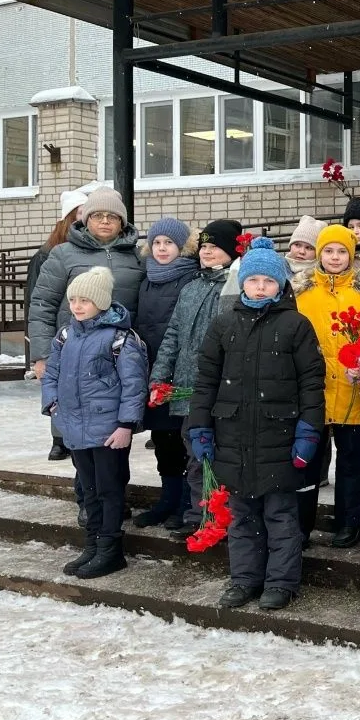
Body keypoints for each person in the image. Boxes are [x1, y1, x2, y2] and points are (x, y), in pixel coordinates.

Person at [188, 238, 325, 611]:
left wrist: (308, 432)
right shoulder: (223, 325)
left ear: (280, 284)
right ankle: (245, 578)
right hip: (232, 435)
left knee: (281, 516)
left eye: (268, 281)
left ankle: (281, 582)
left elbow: (312, 384)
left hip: (279, 436)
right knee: (242, 516)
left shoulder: (296, 325)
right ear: (242, 283)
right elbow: (206, 382)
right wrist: (200, 427)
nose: (260, 287)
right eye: (253, 280)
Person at [41, 267, 147, 579]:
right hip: (75, 427)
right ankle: (93, 545)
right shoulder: (66, 335)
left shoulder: (119, 339)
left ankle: (110, 550)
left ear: (100, 302)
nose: (77, 305)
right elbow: (52, 373)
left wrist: (126, 425)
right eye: (73, 299)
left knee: (108, 490)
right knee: (88, 490)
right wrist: (53, 404)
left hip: (108, 431)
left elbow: (134, 385)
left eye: (84, 300)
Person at [148, 219, 241, 537]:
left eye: (215, 247)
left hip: (225, 390)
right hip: (190, 389)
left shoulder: (238, 286)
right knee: (196, 455)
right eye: (204, 247)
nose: (207, 252)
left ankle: (227, 518)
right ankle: (198, 516)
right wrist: (160, 376)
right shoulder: (191, 288)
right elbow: (173, 335)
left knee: (223, 455)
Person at [294, 223, 360, 548]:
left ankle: (349, 522)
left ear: (351, 254)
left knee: (352, 462)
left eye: (341, 251)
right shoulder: (301, 292)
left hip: (352, 389)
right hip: (311, 389)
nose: (334, 257)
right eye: (328, 251)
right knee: (307, 462)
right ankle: (300, 526)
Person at [28, 187, 144, 381]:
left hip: (124, 357)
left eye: (112, 216)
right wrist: (43, 356)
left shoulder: (139, 256)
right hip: (73, 355)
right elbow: (43, 306)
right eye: (97, 215)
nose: (105, 221)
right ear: (86, 219)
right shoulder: (63, 254)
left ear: (122, 222)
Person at [132, 217, 198, 529]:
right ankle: (168, 499)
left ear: (182, 247)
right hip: (152, 368)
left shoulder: (190, 276)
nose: (162, 248)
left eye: (169, 243)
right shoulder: (146, 277)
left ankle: (186, 502)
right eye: (157, 242)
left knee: (181, 437)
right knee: (162, 438)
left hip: (179, 370)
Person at [26, 189, 89, 461]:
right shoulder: (46, 255)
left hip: (82, 329)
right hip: (57, 332)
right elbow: (37, 300)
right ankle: (59, 438)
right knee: (58, 385)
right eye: (80, 213)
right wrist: (39, 345)